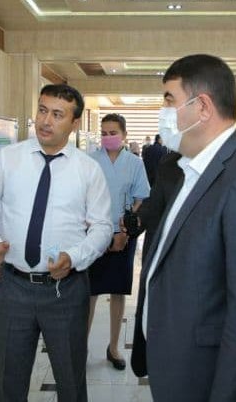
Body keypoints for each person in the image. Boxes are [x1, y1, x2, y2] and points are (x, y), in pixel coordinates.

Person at [131, 54, 236, 401]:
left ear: (202, 107)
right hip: (177, 362)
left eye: (169, 100)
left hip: (206, 375)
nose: (164, 111)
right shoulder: (189, 169)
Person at [0, 84, 113, 402]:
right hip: (13, 287)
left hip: (66, 291)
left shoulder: (88, 170)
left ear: (74, 123)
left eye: (58, 114)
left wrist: (73, 257)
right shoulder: (8, 159)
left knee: (71, 384)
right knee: (10, 383)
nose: (46, 121)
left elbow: (102, 227)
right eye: (42, 110)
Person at [87, 113, 150, 370]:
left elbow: (140, 197)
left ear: (124, 135)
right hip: (94, 234)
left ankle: (113, 347)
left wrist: (125, 229)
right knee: (90, 292)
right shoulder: (91, 161)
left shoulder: (134, 163)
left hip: (123, 235)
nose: (108, 138)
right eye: (104, 133)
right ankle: (81, 346)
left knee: (118, 291)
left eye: (113, 133)